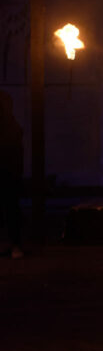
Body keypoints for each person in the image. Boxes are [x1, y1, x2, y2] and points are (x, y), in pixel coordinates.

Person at [0, 91, 24, 258]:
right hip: (10, 173)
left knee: (10, 209)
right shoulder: (13, 127)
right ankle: (13, 244)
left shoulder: (12, 128)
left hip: (8, 173)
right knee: (11, 209)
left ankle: (13, 244)